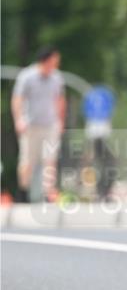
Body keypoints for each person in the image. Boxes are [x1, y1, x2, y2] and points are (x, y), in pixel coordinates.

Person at [11, 46, 66, 202]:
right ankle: (23, 191)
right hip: (30, 126)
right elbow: (17, 99)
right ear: (45, 60)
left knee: (50, 160)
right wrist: (19, 120)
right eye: (54, 61)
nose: (56, 65)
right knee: (27, 162)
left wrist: (61, 121)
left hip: (50, 125)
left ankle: (48, 194)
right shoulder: (27, 76)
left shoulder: (57, 78)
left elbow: (60, 101)